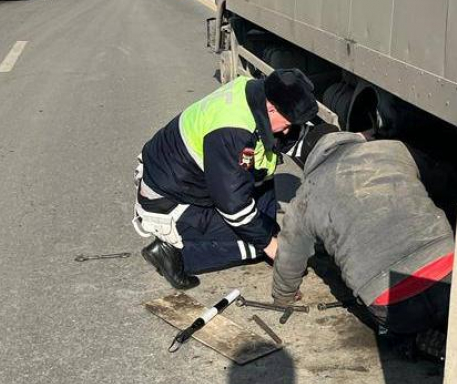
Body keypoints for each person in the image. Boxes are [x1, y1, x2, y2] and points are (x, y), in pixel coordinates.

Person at [132, 69, 318, 289]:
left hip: (198, 184)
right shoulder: (231, 131)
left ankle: (263, 236)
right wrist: (270, 245)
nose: (287, 132)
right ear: (271, 107)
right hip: (172, 204)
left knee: (264, 218)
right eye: (287, 124)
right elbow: (234, 208)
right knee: (259, 242)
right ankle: (176, 254)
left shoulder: (256, 94)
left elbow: (290, 139)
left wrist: (348, 141)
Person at [272, 124, 454, 345]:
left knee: (393, 330)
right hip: (449, 272)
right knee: (454, 309)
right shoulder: (394, 149)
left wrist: (284, 296)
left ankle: (410, 340)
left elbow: (290, 253)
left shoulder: (305, 195)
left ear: (309, 160)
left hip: (391, 301)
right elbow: (443, 181)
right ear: (345, 137)